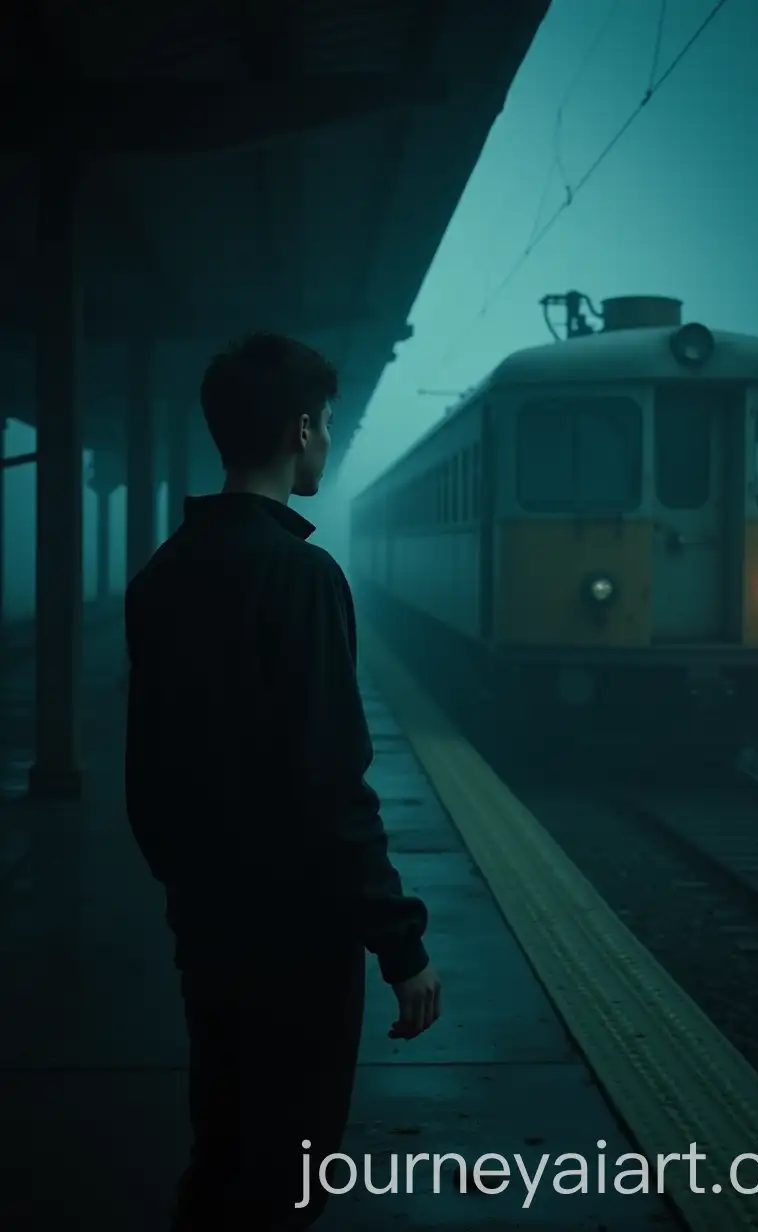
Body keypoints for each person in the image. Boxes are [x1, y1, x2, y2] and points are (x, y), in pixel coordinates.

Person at [124, 333, 440, 1229]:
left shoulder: (161, 577)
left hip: (209, 928)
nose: (331, 441)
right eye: (330, 423)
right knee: (289, 1168)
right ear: (302, 430)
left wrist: (191, 887)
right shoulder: (300, 577)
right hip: (298, 942)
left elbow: (146, 776)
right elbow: (332, 780)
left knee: (222, 1146)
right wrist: (400, 942)